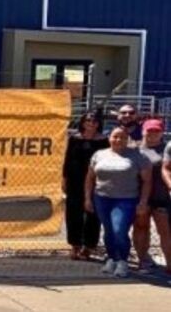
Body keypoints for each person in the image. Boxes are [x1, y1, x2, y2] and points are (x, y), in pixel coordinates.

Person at [85, 127, 151, 277]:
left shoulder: (137, 156)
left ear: (127, 139)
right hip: (101, 198)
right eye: (115, 137)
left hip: (126, 199)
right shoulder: (99, 154)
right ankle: (112, 258)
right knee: (108, 231)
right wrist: (88, 198)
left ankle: (122, 261)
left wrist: (143, 202)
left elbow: (147, 181)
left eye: (122, 137)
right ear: (109, 138)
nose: (118, 140)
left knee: (119, 230)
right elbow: (90, 178)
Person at [63, 111, 108, 260]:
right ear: (82, 122)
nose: (91, 123)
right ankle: (75, 245)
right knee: (73, 213)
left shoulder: (104, 141)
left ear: (98, 124)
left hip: (96, 180)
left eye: (94, 121)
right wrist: (64, 179)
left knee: (92, 214)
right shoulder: (74, 139)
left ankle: (88, 246)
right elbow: (67, 160)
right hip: (75, 180)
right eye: (88, 120)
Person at [132, 119, 171, 274]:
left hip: (162, 197)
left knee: (166, 231)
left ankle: (169, 264)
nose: (153, 134)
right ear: (143, 131)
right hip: (139, 196)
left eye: (156, 131)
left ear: (162, 132)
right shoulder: (133, 149)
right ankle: (143, 261)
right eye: (150, 130)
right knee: (141, 228)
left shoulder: (167, 149)